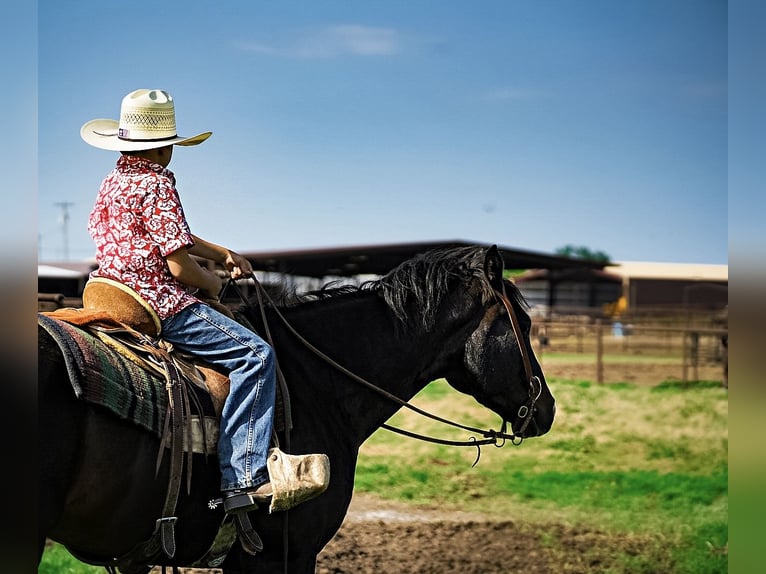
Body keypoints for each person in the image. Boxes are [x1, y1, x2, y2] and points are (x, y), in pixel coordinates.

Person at [81, 88, 277, 514]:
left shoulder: (114, 180)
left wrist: (222, 252)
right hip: (155, 299)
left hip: (110, 288)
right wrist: (211, 283)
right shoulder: (157, 182)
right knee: (256, 356)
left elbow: (175, 238)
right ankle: (243, 475)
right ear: (165, 146)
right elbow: (177, 268)